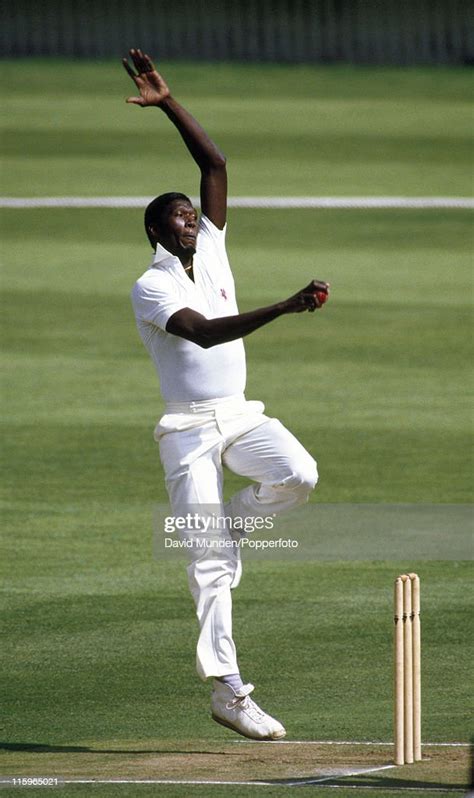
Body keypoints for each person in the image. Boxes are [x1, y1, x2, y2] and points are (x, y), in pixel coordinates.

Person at [124, 48, 329, 741]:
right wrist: (284, 306)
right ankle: (229, 691)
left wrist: (170, 102)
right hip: (187, 429)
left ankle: (238, 521)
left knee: (298, 473)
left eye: (191, 213)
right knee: (207, 562)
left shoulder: (210, 248)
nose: (191, 218)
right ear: (157, 231)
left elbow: (214, 166)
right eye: (178, 217)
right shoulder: (151, 286)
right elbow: (205, 335)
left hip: (240, 416)